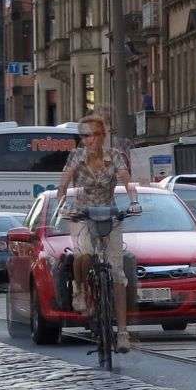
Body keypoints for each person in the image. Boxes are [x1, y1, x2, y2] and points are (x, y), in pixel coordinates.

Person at [55, 107, 140, 350]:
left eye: (92, 135)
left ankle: (122, 333)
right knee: (84, 253)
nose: (88, 140)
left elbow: (127, 181)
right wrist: (63, 204)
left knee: (117, 274)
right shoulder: (75, 156)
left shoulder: (115, 156)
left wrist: (133, 201)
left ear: (102, 136)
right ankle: (80, 289)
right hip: (81, 214)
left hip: (109, 214)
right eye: (83, 136)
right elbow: (63, 184)